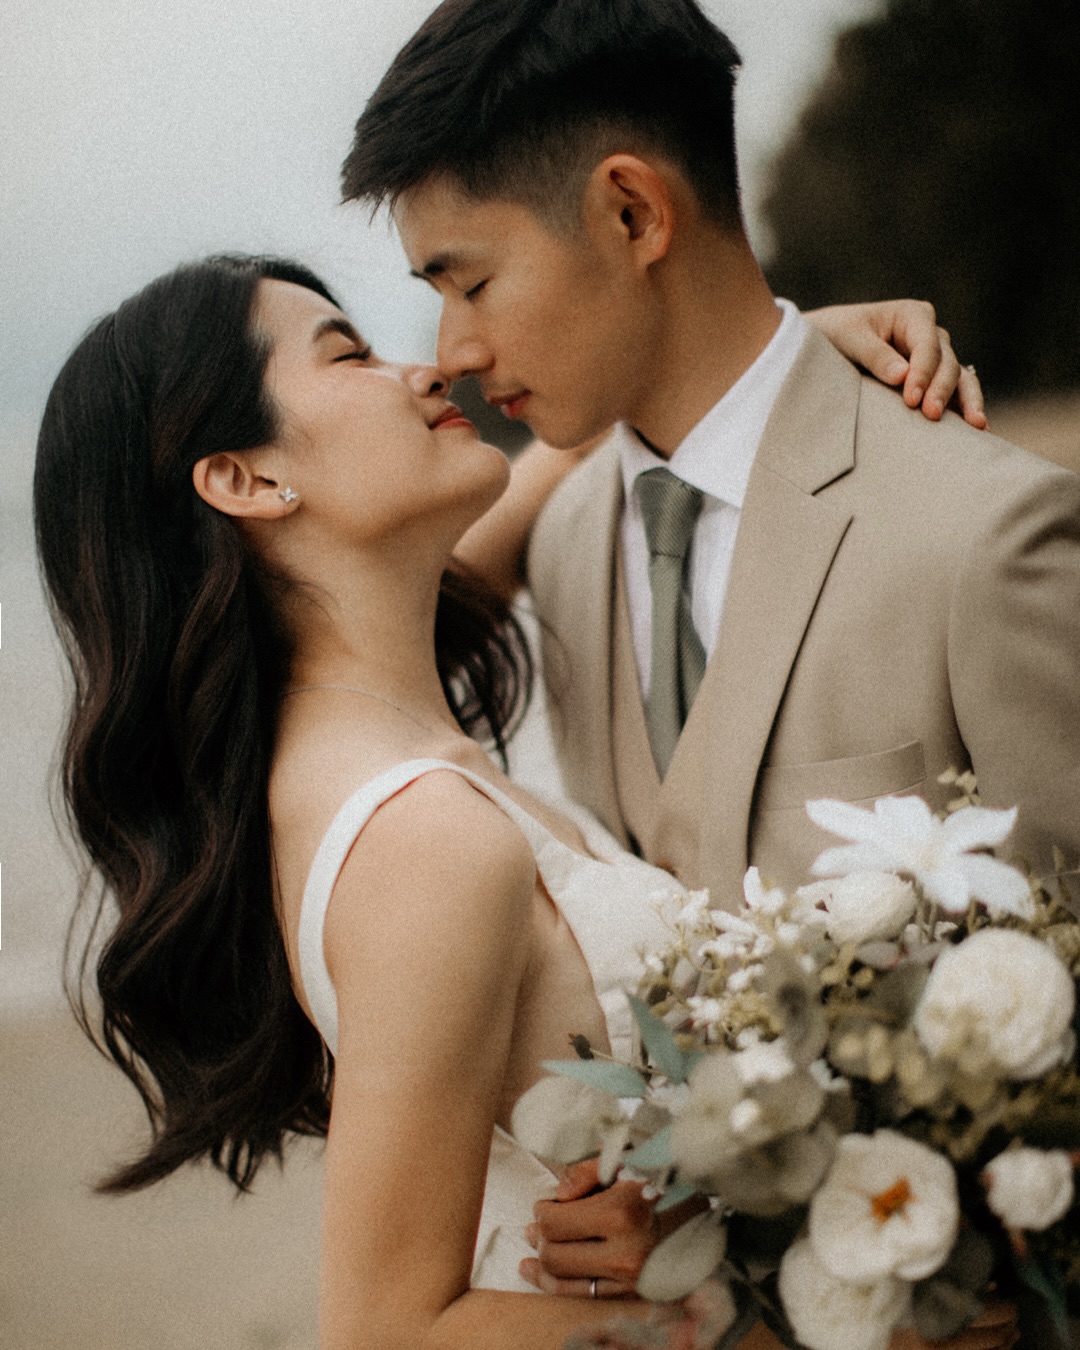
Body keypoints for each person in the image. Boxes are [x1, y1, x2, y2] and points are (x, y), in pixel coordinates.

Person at [34, 255, 1010, 1350]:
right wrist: (782, 1328)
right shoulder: (423, 840)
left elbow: (572, 452)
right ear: (248, 481)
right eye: (350, 354)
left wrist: (775, 362)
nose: (425, 370)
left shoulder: (362, 723)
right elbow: (389, 1329)